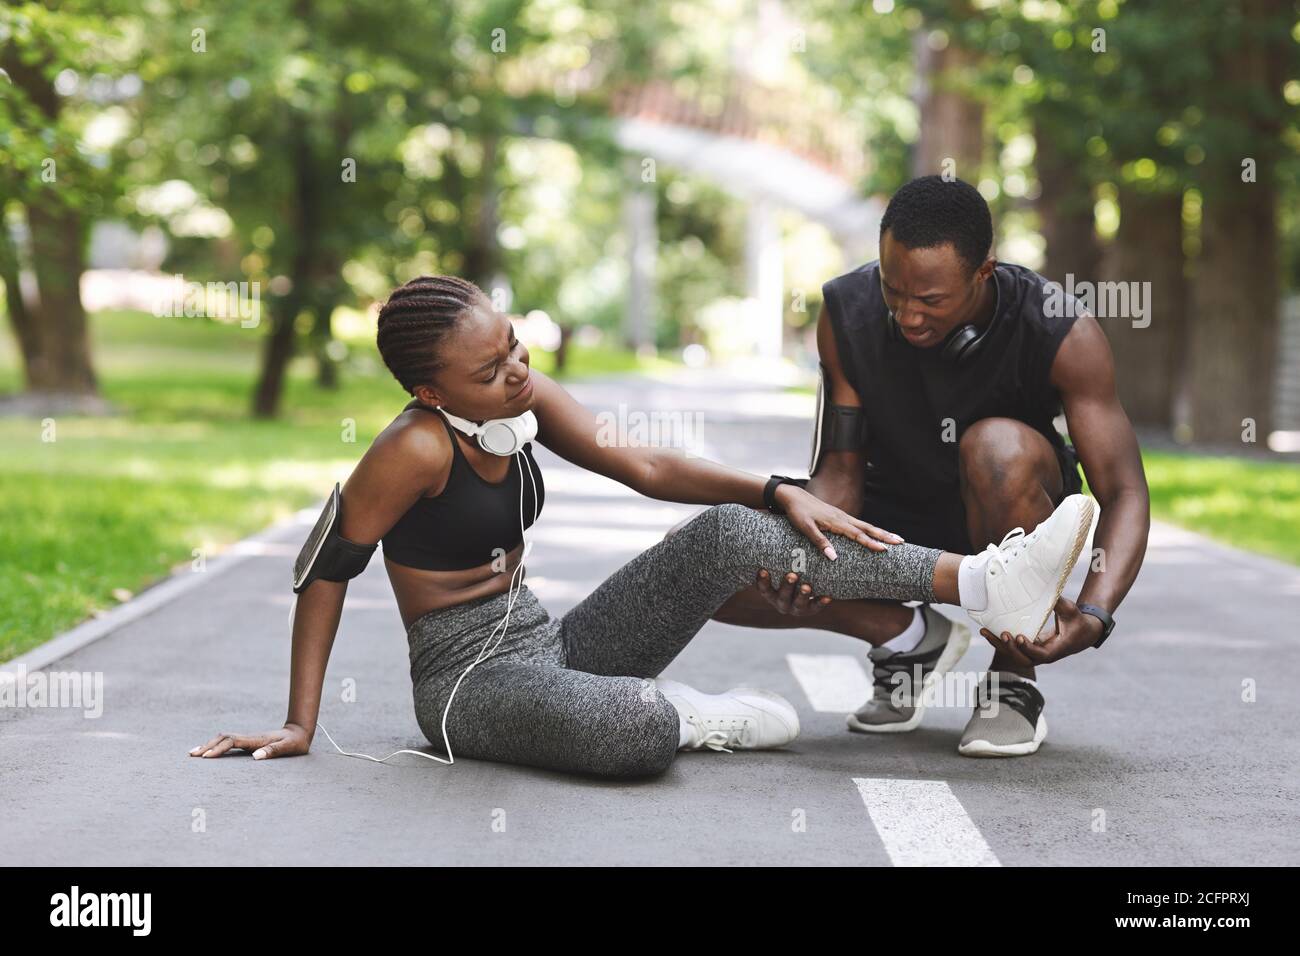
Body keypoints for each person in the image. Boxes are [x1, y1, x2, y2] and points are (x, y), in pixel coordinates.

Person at [189, 274, 1098, 778]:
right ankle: (681, 717)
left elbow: (650, 467)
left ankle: (981, 584)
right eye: (490, 368)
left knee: (729, 530)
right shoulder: (412, 450)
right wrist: (299, 722)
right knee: (632, 733)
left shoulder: (521, 392)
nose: (517, 371)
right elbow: (326, 567)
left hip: (552, 645)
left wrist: (779, 488)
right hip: (469, 689)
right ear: (431, 392)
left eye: (514, 347)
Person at [710, 175, 1150, 758]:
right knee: (706, 560)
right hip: (892, 520)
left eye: (931, 300)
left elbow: (1124, 492)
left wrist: (1094, 613)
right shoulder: (846, 313)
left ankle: (1012, 679)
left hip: (1008, 505)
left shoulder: (1059, 329)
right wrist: (803, 567)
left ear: (983, 274)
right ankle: (908, 640)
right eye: (895, 292)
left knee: (998, 449)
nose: (909, 316)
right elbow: (839, 474)